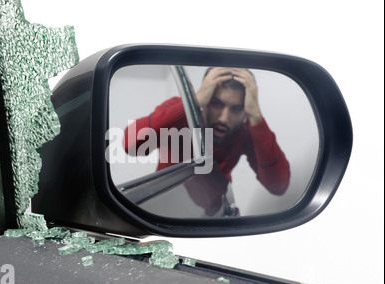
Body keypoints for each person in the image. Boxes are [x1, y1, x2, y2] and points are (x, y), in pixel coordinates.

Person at [123, 67, 290, 196]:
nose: (224, 118)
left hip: (213, 213)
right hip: (166, 204)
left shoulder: (245, 132)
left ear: (245, 111)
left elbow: (278, 186)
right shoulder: (179, 111)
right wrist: (192, 103)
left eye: (237, 109)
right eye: (216, 104)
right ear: (205, 98)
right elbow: (130, 145)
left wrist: (256, 117)